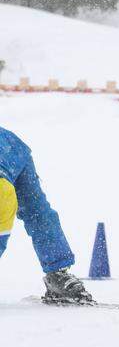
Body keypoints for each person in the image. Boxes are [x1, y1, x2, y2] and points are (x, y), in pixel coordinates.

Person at [0, 126, 94, 304]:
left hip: (16, 155)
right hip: (10, 150)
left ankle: (58, 274)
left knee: (38, 213)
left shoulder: (2, 194)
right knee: (38, 213)